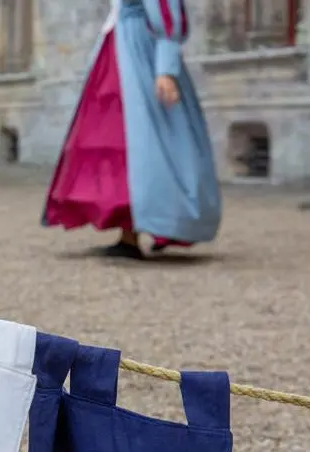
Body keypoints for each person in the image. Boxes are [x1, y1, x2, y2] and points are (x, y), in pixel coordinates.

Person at [41, 0, 221, 260]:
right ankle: (129, 234)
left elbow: (167, 14)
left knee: (152, 143)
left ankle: (167, 221)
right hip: (118, 51)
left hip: (140, 53)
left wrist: (166, 69)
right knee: (121, 144)